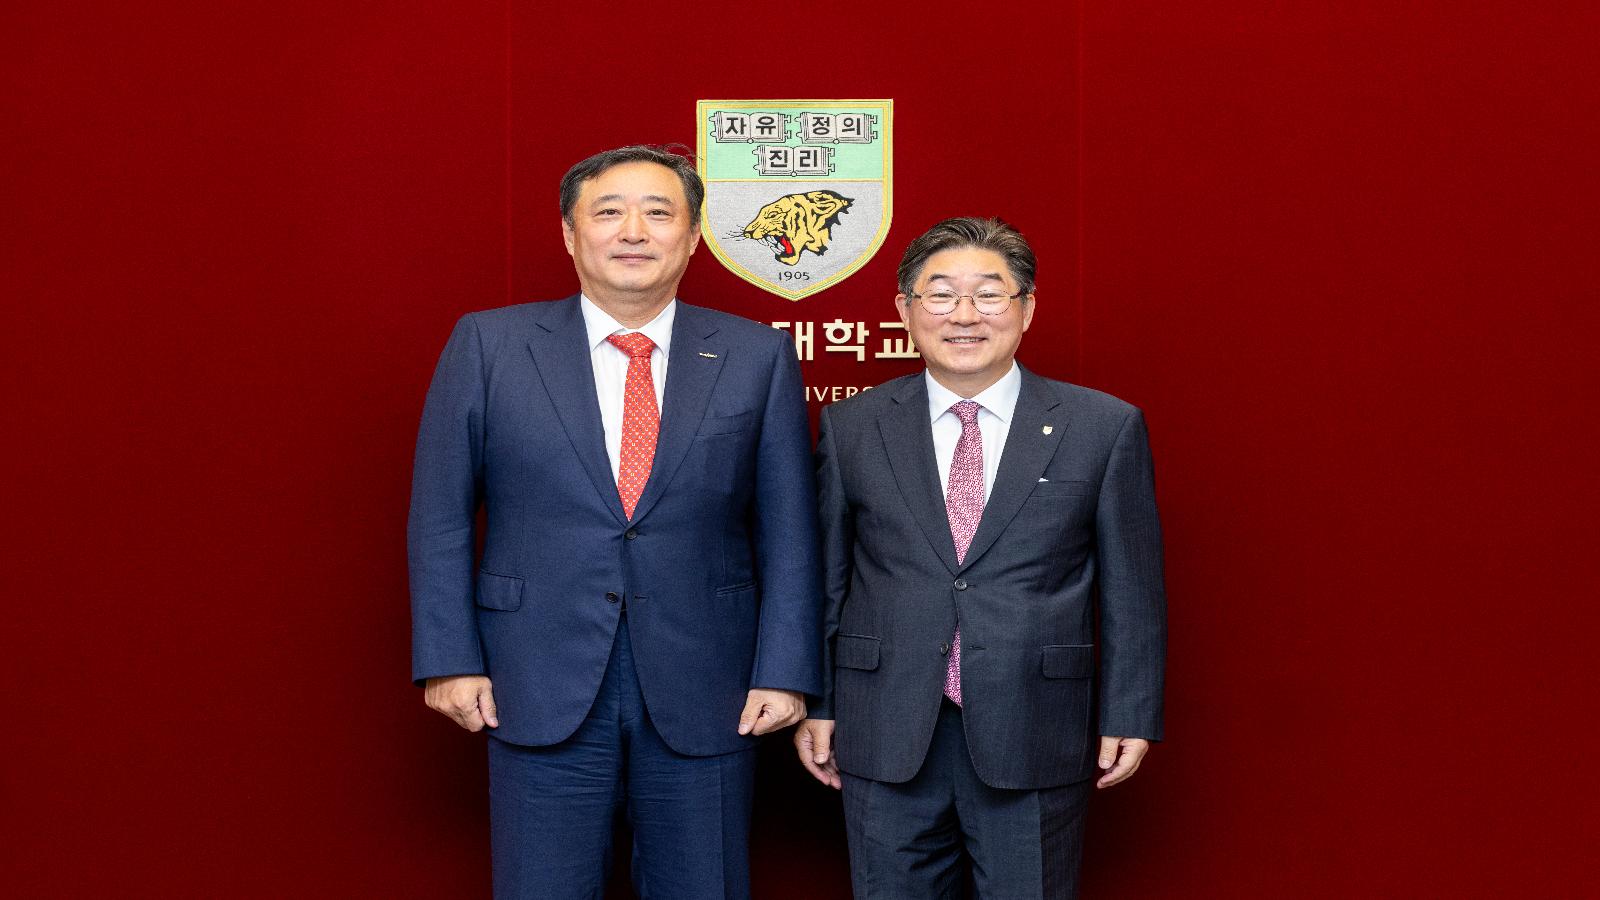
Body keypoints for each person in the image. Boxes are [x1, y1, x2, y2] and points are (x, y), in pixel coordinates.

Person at [409, 144, 821, 899]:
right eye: (608, 212)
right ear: (570, 234)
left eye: (659, 213)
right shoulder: (489, 344)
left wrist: (785, 670)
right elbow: (440, 518)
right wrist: (449, 657)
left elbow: (790, 529)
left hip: (712, 683)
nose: (634, 231)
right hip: (532, 676)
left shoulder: (755, 354)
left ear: (692, 238)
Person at [793, 217, 1166, 898]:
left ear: (1027, 308)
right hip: (884, 725)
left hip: (1035, 724)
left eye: (989, 294)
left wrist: (1130, 713)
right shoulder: (853, 426)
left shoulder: (1102, 427)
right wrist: (817, 701)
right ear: (905, 309)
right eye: (940, 295)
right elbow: (828, 579)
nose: (964, 316)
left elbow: (1132, 590)